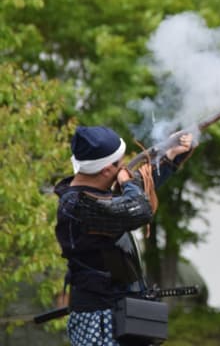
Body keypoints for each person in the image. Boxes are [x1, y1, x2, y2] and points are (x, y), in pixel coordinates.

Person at [55, 125, 193, 345]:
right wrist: (127, 182)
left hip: (120, 311)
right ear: (106, 170)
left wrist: (170, 155)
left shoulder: (95, 193)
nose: (124, 168)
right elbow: (139, 208)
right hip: (99, 319)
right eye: (119, 165)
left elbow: (140, 186)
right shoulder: (78, 206)